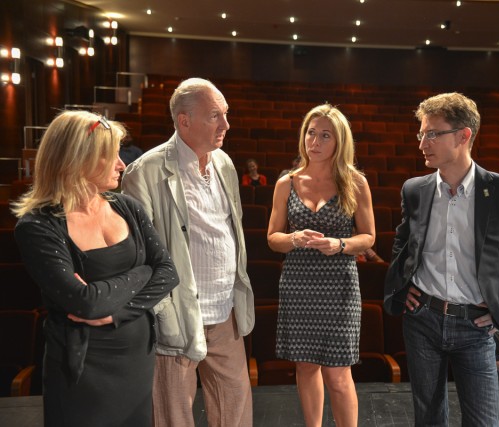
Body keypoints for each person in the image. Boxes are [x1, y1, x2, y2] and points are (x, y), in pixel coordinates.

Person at [383, 92, 499, 426]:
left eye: (432, 134)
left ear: (463, 136)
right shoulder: (414, 190)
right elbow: (403, 243)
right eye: (421, 134)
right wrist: (403, 287)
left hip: (476, 326)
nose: (422, 144)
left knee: (482, 421)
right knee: (428, 419)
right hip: (422, 320)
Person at [12, 110, 179, 426]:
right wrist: (143, 272)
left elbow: (168, 272)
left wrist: (117, 312)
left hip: (137, 363)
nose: (122, 164)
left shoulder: (127, 207)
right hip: (83, 373)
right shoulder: (37, 226)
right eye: (111, 155)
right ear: (78, 160)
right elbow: (85, 303)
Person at [121, 78, 254, 427]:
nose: (226, 125)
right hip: (177, 316)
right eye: (215, 116)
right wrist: (161, 309)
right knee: (173, 417)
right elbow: (138, 257)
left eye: (225, 114)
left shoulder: (224, 163)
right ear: (184, 121)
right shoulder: (144, 172)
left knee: (236, 413)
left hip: (225, 312)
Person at [267, 104, 375, 427]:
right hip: (299, 284)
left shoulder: (355, 182)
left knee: (338, 372)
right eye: (311, 133)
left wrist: (340, 245)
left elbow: (368, 237)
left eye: (325, 135)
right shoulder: (286, 183)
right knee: (305, 366)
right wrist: (295, 238)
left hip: (339, 285)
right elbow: (273, 238)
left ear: (340, 141)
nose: (315, 141)